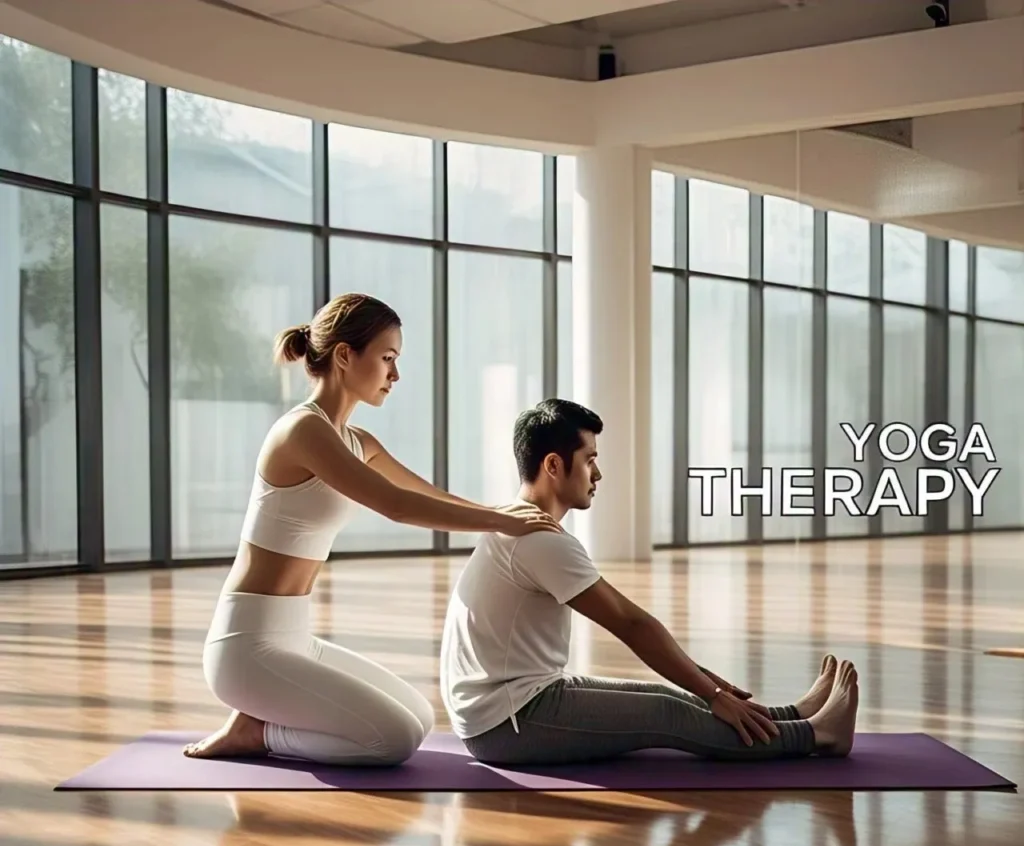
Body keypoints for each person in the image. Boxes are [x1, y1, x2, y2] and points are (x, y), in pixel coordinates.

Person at [185, 293, 560, 765]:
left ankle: (255, 722)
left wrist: (499, 512)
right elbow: (395, 505)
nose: (395, 375)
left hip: (293, 637)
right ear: (345, 355)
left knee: (419, 717)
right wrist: (500, 521)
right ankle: (259, 733)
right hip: (246, 647)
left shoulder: (354, 440)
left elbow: (426, 493)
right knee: (391, 739)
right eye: (387, 359)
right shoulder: (303, 431)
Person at [440, 398, 860, 766]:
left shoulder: (517, 523)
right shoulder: (538, 540)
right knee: (668, 715)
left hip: (508, 703)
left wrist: (709, 685)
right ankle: (817, 736)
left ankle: (790, 715)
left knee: (670, 695)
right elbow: (632, 625)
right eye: (589, 459)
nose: (597, 473)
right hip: (506, 722)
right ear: (554, 465)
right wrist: (713, 694)